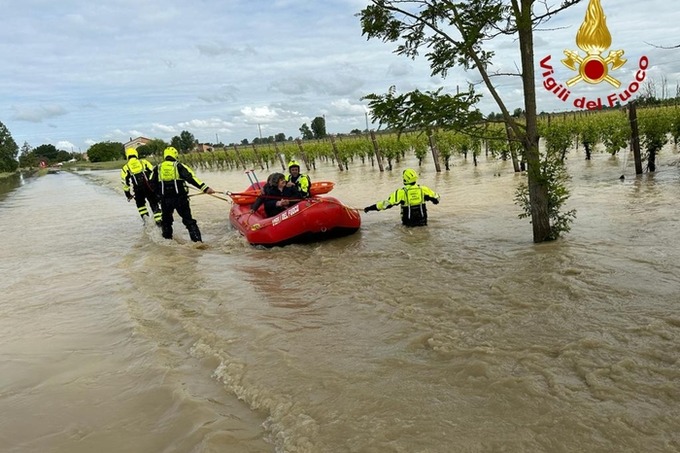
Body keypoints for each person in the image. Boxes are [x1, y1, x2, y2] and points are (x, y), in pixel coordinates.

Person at [150, 146, 215, 242]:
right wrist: (205, 188)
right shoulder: (179, 166)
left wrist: (159, 195)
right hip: (180, 199)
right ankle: (198, 243)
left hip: (165, 200)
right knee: (189, 221)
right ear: (175, 155)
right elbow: (191, 178)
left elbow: (151, 183)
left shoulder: (157, 168)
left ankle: (167, 242)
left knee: (166, 222)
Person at [363, 168, 440, 227]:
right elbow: (437, 199)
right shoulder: (423, 189)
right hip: (423, 223)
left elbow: (385, 205)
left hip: (408, 224)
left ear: (404, 179)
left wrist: (370, 208)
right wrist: (429, 199)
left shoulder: (401, 192)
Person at [120, 148, 162, 225]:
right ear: (136, 154)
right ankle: (159, 222)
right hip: (149, 187)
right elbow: (154, 173)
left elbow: (125, 183)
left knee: (141, 206)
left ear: (127, 156)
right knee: (154, 203)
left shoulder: (125, 168)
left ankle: (147, 223)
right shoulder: (144, 162)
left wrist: (128, 195)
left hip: (137, 190)